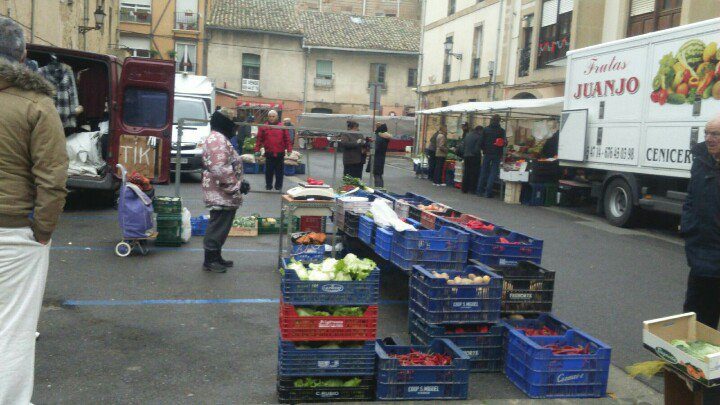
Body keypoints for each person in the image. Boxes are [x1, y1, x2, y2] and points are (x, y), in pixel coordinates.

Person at [0, 17, 69, 404]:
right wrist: (42, 232)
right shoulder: (36, 105)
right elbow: (52, 180)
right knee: (12, 331)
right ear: (23, 55)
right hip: (12, 234)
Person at [681, 115, 720, 328]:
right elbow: (690, 199)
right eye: (706, 133)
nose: (709, 138)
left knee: (712, 311)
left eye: (715, 134)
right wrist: (688, 228)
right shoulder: (701, 162)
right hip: (700, 251)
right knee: (694, 310)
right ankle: (692, 358)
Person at [202, 109, 245, 273]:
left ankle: (216, 256)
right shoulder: (217, 140)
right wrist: (236, 186)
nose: (234, 128)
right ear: (225, 123)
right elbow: (219, 168)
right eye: (233, 125)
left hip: (222, 192)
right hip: (220, 192)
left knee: (221, 225)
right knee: (218, 225)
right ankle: (210, 259)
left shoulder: (219, 138)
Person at [255, 110, 291, 191]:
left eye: (273, 116)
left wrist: (289, 149)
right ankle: (268, 185)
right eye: (270, 116)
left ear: (277, 117)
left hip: (280, 153)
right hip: (269, 153)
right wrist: (257, 150)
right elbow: (259, 139)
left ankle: (278, 186)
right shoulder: (263, 127)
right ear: (268, 117)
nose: (271, 118)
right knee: (268, 171)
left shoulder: (282, 127)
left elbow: (287, 139)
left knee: (279, 172)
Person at [477, 114, 506, 198]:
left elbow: (480, 142)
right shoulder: (501, 131)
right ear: (499, 121)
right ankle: (488, 192)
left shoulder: (485, 129)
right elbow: (505, 143)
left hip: (487, 153)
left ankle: (479, 191)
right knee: (493, 173)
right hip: (497, 153)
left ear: (491, 120)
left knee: (483, 172)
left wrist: (484, 149)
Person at [459, 125, 483, 193]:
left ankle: (464, 188)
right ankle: (472, 189)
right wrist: (477, 155)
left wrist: (464, 153)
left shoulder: (467, 135)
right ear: (480, 130)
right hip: (474, 157)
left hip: (466, 155)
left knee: (466, 172)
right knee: (474, 173)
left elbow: (463, 146)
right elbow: (477, 148)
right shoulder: (479, 137)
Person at [372, 123, 393, 188]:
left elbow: (375, 148)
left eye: (377, 127)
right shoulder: (385, 138)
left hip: (376, 158)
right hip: (381, 157)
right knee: (379, 175)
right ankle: (381, 188)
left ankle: (378, 189)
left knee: (377, 175)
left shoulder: (379, 138)